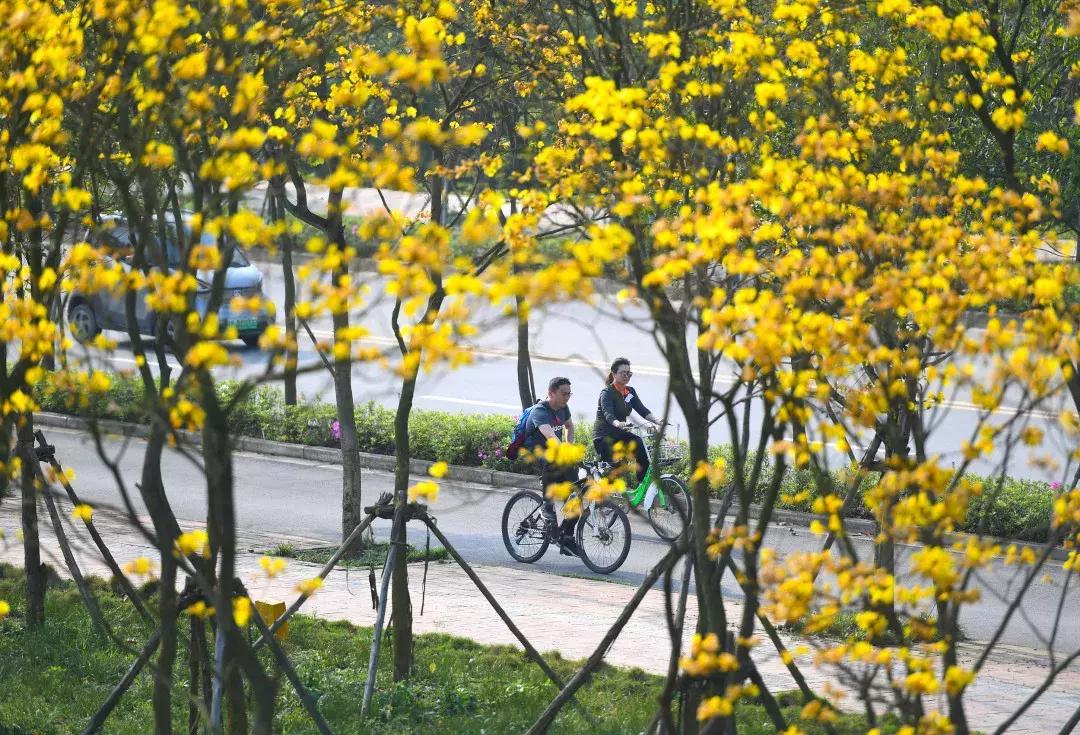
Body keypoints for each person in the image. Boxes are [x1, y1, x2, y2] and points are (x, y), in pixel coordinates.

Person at [522, 377, 581, 555]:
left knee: (576, 498)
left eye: (569, 393)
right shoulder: (541, 411)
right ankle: (547, 507)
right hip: (536, 452)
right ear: (551, 393)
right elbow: (551, 437)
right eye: (564, 393)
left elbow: (570, 427)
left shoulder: (563, 407)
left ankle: (567, 538)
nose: (567, 397)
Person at [593, 357, 661, 484]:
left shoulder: (630, 391)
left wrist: (658, 421)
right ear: (613, 374)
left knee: (641, 448)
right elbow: (608, 414)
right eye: (622, 372)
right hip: (604, 436)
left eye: (628, 372)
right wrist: (618, 423)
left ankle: (642, 486)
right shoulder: (607, 393)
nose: (626, 375)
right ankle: (602, 492)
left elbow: (641, 409)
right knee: (620, 467)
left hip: (620, 434)